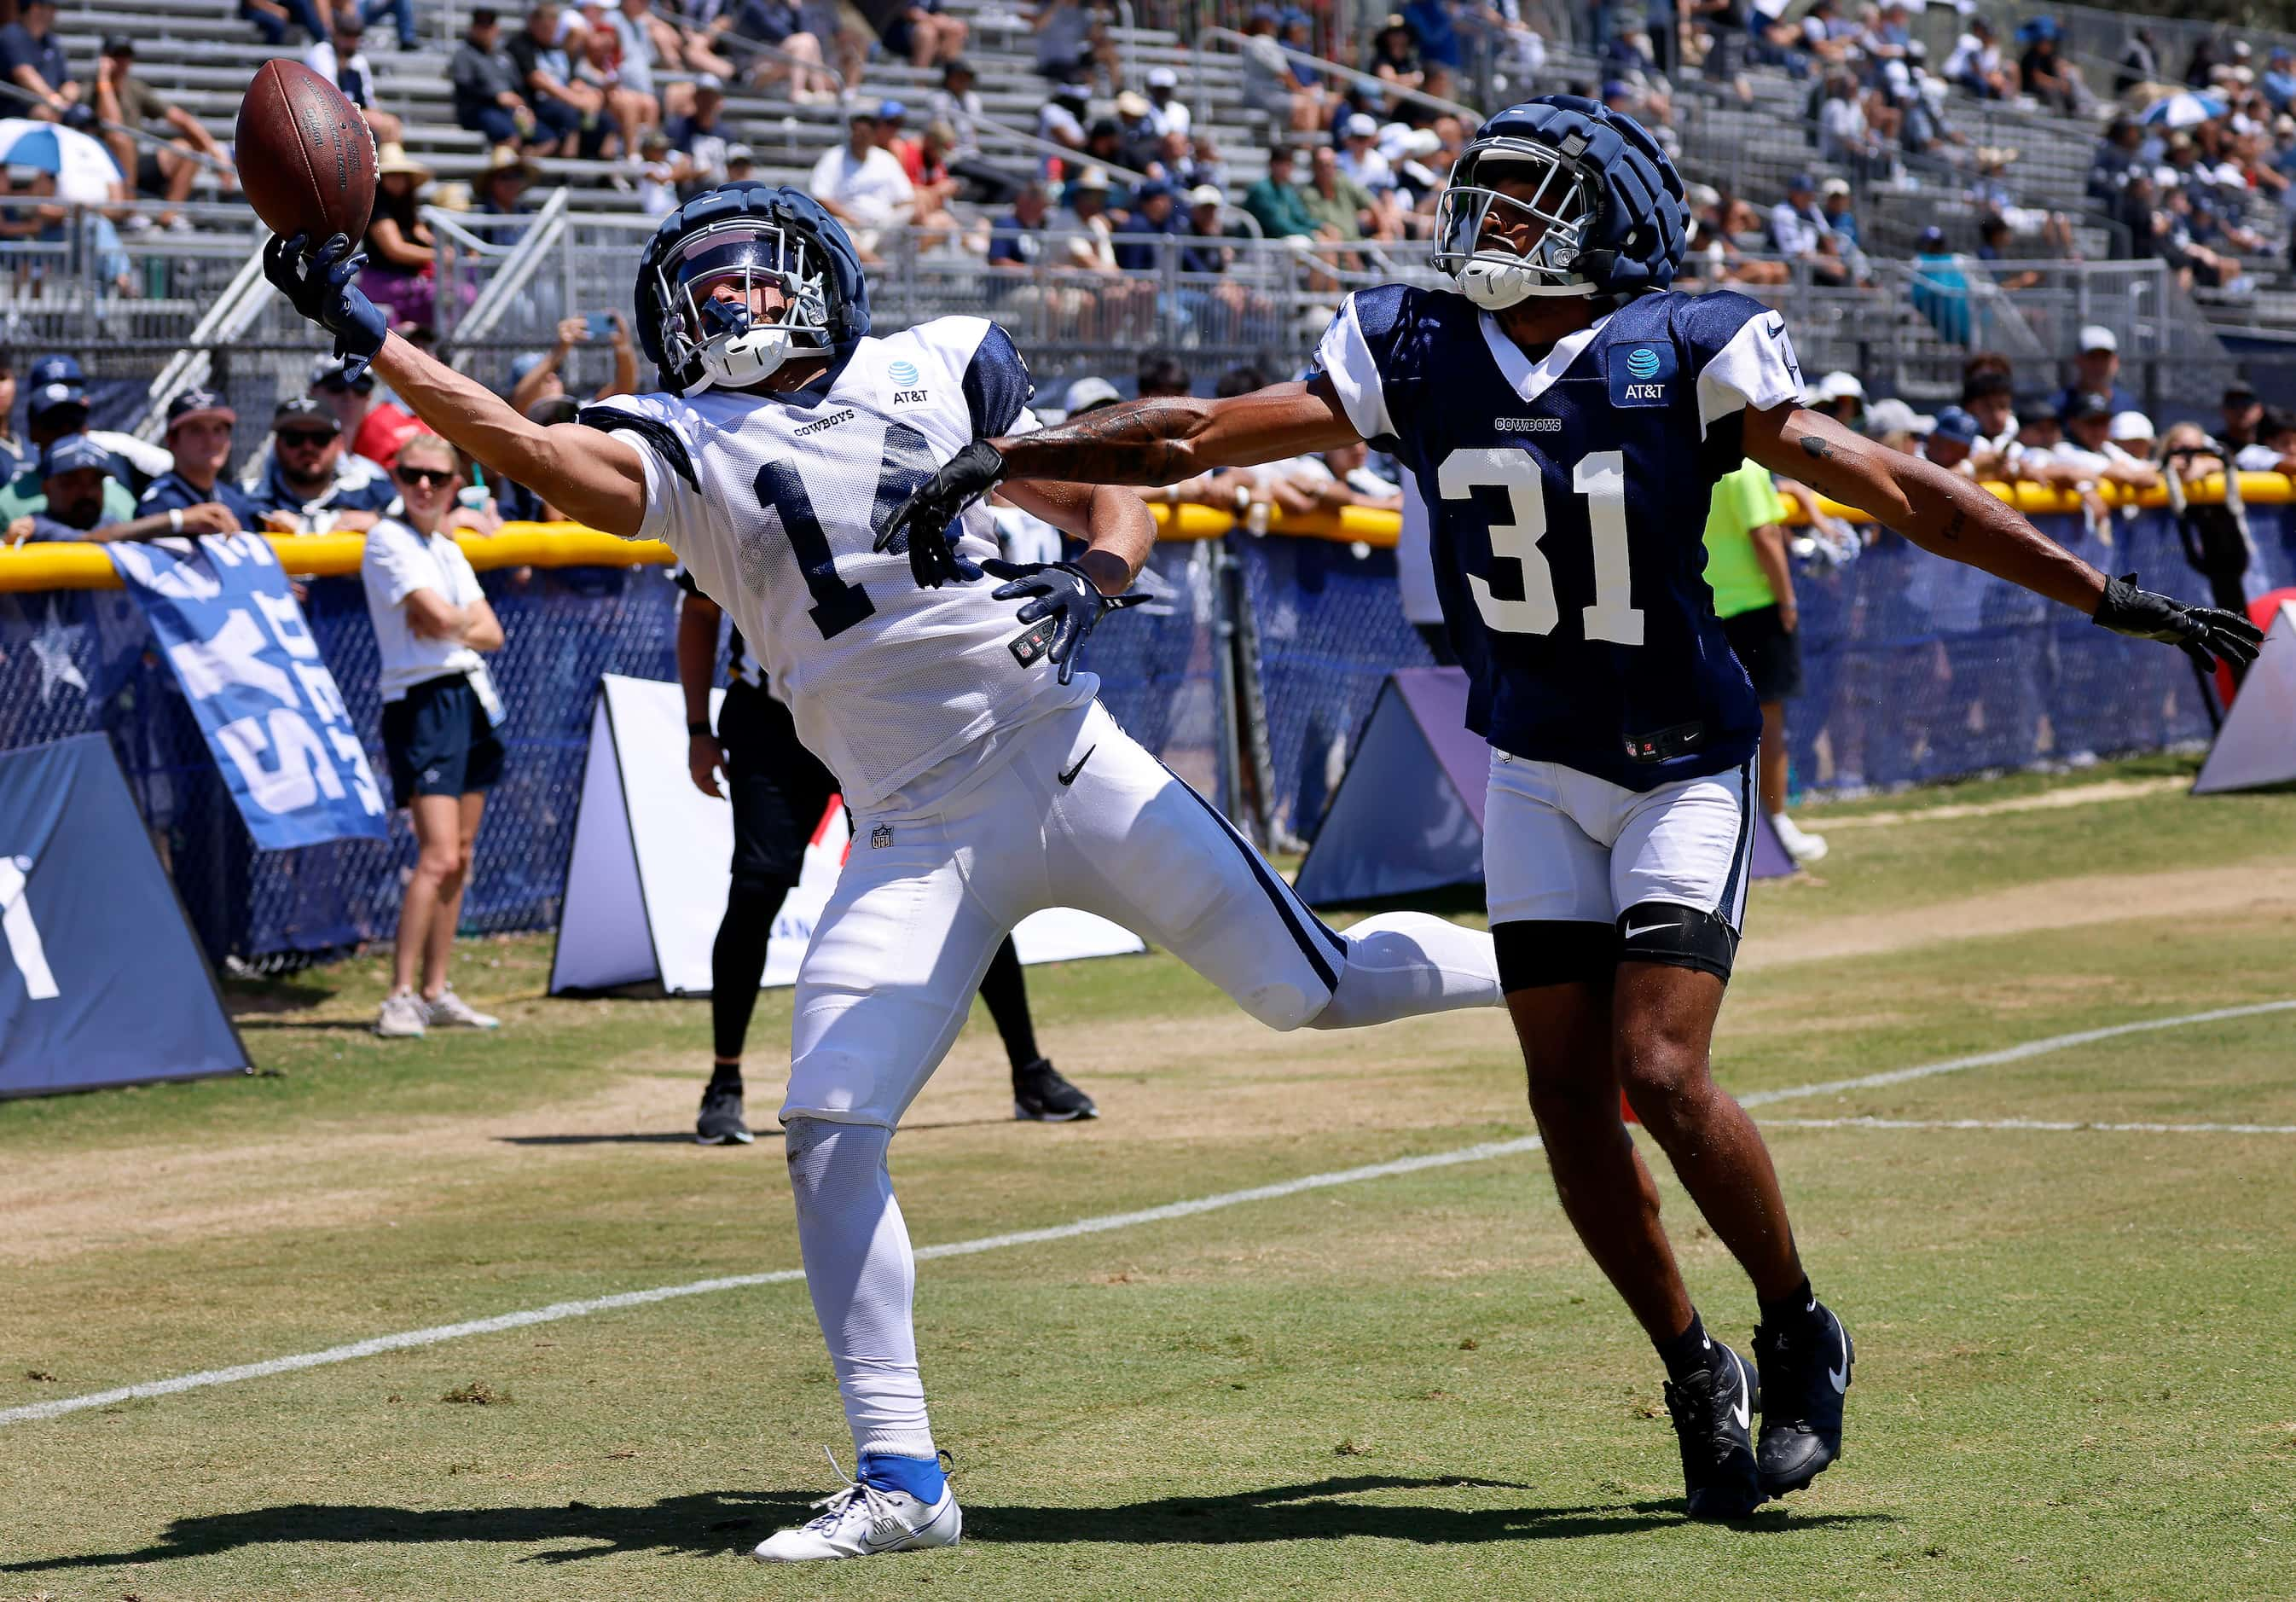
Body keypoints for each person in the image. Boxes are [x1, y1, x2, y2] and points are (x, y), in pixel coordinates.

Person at [884, 93, 2264, 1521]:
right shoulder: (1410, 344)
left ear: (1601, 221)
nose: (1476, 225)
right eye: (1474, 198)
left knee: (1657, 1070)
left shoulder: (1690, 343)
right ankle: (1690, 1365)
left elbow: (1896, 488)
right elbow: (1200, 438)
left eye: (1515, 201)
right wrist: (1029, 448)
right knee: (1564, 1097)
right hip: (1536, 758)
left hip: (1677, 758)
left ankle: (1796, 1322)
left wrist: (2106, 593)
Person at [265, 179, 1505, 1563]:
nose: (732, 305)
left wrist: (1098, 569)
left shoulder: (934, 368)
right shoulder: (682, 436)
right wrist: (369, 331)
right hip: (910, 826)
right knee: (829, 1124)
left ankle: (1540, 967)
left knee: (1312, 991)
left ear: (820, 284)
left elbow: (1111, 482)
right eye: (707, 287)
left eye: (755, 279)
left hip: (1061, 759)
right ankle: (902, 1472)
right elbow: (543, 460)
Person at [676, 574, 1099, 1141]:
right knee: (756, 888)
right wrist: (698, 728)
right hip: (772, 720)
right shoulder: (740, 494)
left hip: (872, 713)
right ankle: (724, 1083)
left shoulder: (885, 488)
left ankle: (1029, 1070)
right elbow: (700, 609)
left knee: (960, 881)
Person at [360, 432, 508, 1040]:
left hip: (470, 696)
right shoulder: (388, 538)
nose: (424, 485)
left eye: (437, 477)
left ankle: (435, 988)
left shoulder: (442, 546)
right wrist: (451, 623)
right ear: (396, 478)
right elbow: (444, 617)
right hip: (423, 700)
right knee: (438, 854)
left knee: (461, 858)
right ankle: (399, 996)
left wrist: (449, 625)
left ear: (454, 485)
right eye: (412, 474)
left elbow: (488, 632)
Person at [1702, 459, 1823, 864]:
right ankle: (1776, 826)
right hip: (1755, 610)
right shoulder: (1746, 469)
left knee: (1710, 724)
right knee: (1769, 724)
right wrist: (1787, 600)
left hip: (1705, 608)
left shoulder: (1689, 455)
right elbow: (1765, 535)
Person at [90, 36, 235, 229]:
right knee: (120, 140)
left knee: (189, 148)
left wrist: (216, 154)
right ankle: (128, 210)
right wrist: (104, 81)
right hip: (101, 167)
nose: (123, 62)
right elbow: (113, 124)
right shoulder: (89, 90)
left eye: (127, 56)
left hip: (134, 165)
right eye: (117, 56)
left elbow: (181, 119)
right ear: (105, 58)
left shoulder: (134, 88)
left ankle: (169, 216)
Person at [4, 435, 232, 544]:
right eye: (71, 482)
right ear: (46, 488)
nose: (85, 492)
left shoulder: (110, 522)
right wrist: (179, 519)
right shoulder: (36, 527)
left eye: (94, 482)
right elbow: (90, 542)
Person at [246, 397, 397, 533]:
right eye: (295, 438)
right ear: (277, 445)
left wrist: (382, 522)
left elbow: (415, 524)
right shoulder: (249, 499)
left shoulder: (371, 492)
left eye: (320, 438)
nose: (308, 447)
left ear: (339, 444)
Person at [508, 0, 619, 160]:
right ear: (534, 23)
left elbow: (571, 79)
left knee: (606, 120)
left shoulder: (557, 46)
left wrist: (589, 94)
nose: (550, 32)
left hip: (564, 99)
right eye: (546, 28)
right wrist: (575, 100)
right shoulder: (521, 44)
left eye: (554, 28)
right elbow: (538, 81)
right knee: (570, 115)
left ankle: (606, 171)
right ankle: (567, 172)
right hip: (536, 104)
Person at [138, 389, 262, 530]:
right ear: (172, 441)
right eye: (196, 430)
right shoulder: (160, 501)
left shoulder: (230, 498)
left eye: (218, 430)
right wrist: (179, 521)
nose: (211, 441)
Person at [809, 107, 913, 263]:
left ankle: (877, 263)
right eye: (857, 132)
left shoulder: (885, 159)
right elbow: (820, 195)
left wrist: (886, 219)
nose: (860, 137)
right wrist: (850, 218)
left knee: (912, 213)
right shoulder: (834, 157)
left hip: (882, 227)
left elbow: (906, 198)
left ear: (873, 135)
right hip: (847, 224)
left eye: (865, 133)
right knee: (838, 230)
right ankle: (877, 265)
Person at [452, 9, 537, 152]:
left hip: (509, 111)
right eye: (480, 26)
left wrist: (525, 109)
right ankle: (503, 172)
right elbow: (464, 88)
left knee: (546, 137)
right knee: (510, 135)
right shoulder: (464, 55)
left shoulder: (504, 56)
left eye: (488, 26)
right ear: (472, 28)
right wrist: (496, 97)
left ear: (496, 29)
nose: (485, 31)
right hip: (478, 110)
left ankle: (523, 169)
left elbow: (519, 89)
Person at [1, 0, 78, 121]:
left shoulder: (51, 41)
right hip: (14, 122)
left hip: (51, 116)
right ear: (35, 8)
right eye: (52, 7)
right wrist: (52, 99)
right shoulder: (11, 35)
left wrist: (65, 99)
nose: (55, 13)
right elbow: (23, 74)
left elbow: (69, 84)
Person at [2053, 325, 2136, 421]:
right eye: (2092, 358)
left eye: (2105, 358)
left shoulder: (2129, 406)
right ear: (2078, 360)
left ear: (2116, 362)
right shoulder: (2057, 408)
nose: (2098, 365)